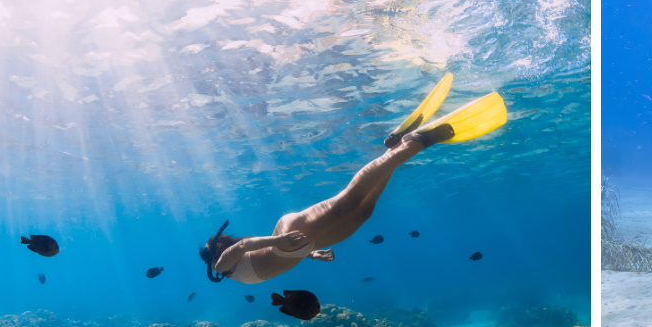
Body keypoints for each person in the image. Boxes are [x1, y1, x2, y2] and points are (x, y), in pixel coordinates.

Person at [199, 74, 506, 284]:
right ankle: (396, 147)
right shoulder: (229, 270)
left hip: (287, 237)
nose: (222, 246)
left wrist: (280, 241)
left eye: (218, 245)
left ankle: (417, 142)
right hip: (300, 246)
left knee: (349, 201)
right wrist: (311, 255)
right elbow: (260, 257)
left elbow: (245, 247)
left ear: (215, 252)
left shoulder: (220, 265)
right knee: (363, 212)